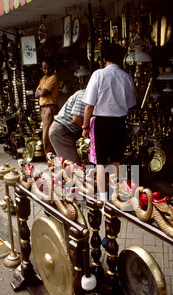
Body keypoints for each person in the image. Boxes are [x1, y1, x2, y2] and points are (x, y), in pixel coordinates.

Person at [82, 42, 136, 202]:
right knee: (117, 161)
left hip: (102, 124)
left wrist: (85, 126)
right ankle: (116, 197)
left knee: (101, 163)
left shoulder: (98, 75)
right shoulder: (126, 77)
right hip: (119, 123)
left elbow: (89, 106)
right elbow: (131, 104)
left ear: (103, 58)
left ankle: (104, 200)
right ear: (121, 59)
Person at [49, 89, 86, 164]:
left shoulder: (84, 94)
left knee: (72, 165)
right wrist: (88, 129)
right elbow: (76, 118)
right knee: (74, 166)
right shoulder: (83, 95)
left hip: (63, 130)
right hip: (61, 131)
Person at [35, 58, 59, 160]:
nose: (46, 70)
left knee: (47, 135)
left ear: (52, 68)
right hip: (44, 108)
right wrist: (41, 92)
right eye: (44, 69)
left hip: (50, 108)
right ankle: (51, 159)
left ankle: (50, 159)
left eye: (48, 68)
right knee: (47, 134)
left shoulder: (53, 78)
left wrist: (41, 92)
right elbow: (36, 92)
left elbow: (42, 92)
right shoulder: (43, 79)